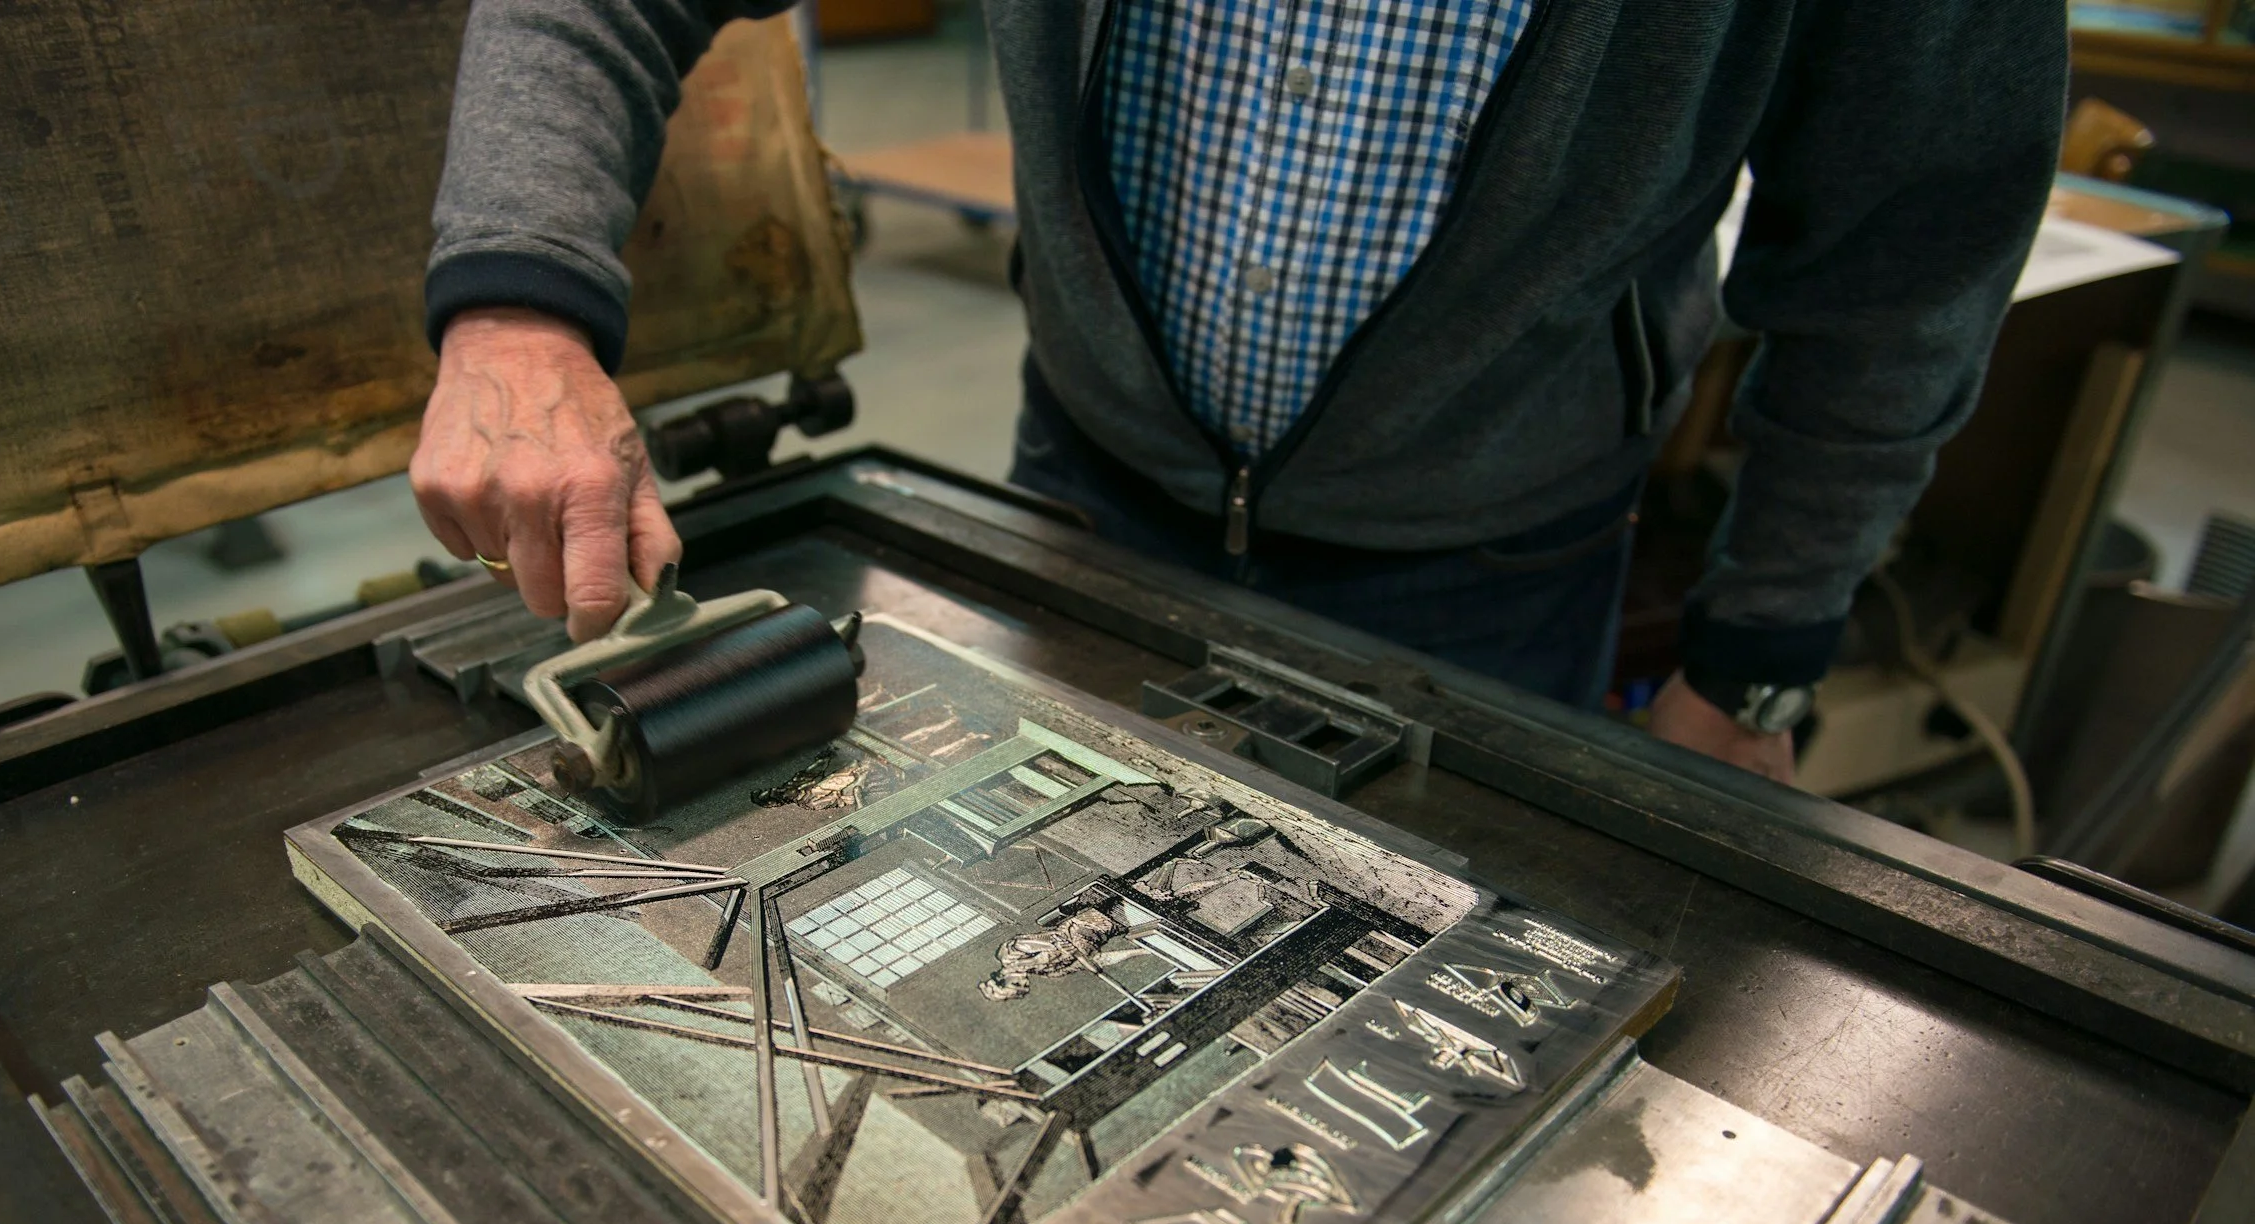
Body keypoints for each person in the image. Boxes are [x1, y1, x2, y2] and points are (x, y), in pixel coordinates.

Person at [408, 0, 2066, 786]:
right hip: (1084, 503)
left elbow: (1906, 257)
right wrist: (516, 308)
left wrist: (1757, 668)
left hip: (1486, 574)